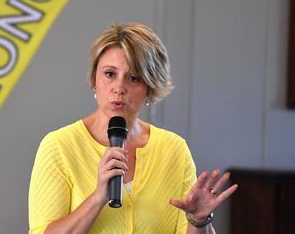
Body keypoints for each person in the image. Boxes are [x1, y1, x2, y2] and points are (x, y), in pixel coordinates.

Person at [28, 22, 237, 234]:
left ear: (150, 86)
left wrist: (199, 221)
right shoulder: (59, 146)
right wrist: (99, 196)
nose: (119, 88)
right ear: (94, 79)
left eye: (133, 78)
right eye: (110, 74)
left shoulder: (174, 150)